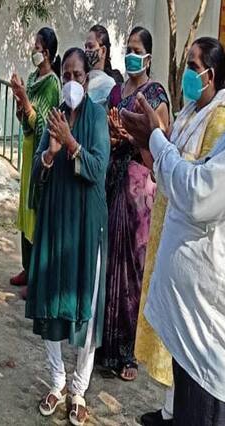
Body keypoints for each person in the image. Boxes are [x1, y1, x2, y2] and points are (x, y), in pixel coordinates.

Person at [120, 62, 225, 426]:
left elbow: (198, 192)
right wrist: (151, 142)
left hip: (209, 340)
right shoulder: (190, 113)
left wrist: (156, 139)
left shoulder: (218, 118)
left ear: (211, 75)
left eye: (194, 66)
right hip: (192, 319)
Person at [26, 47, 109, 426]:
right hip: (55, 222)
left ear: (87, 80)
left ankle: (78, 389)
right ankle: (57, 380)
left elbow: (98, 167)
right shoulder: (54, 116)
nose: (72, 81)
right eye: (67, 76)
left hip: (86, 227)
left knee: (85, 306)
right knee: (50, 299)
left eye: (78, 75)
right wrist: (49, 154)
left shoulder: (97, 117)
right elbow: (37, 172)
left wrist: (72, 144)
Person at [99, 26, 170, 381]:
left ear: (149, 57)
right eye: (128, 48)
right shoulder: (118, 90)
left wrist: (133, 136)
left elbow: (162, 142)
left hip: (139, 189)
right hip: (113, 181)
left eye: (137, 50)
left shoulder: (155, 95)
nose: (131, 55)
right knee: (110, 262)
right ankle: (107, 345)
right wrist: (113, 136)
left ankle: (128, 353)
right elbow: (108, 132)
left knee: (133, 268)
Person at [9, 27, 61, 289]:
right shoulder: (31, 78)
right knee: (24, 208)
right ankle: (26, 266)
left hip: (41, 152)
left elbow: (43, 125)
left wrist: (26, 101)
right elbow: (27, 121)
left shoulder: (52, 84)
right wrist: (20, 102)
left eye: (37, 47)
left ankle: (36, 275)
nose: (33, 51)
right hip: (28, 148)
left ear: (47, 53)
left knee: (36, 209)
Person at [85, 25, 117, 109]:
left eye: (90, 46)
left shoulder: (108, 84)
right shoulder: (82, 79)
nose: (86, 50)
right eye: (85, 47)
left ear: (103, 51)